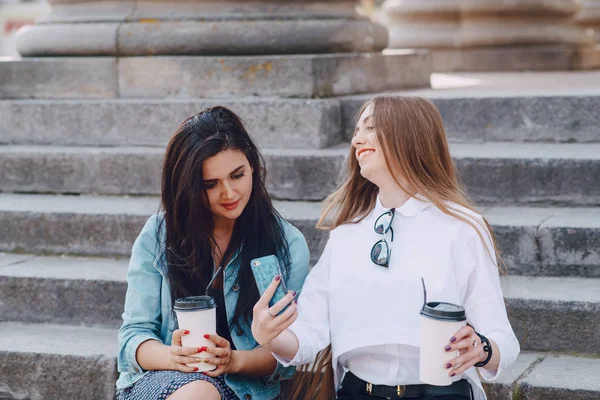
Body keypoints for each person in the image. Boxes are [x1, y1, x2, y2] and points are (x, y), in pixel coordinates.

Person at [251, 96, 520, 400]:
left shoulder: (462, 228)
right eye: (356, 130)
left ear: (409, 135)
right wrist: (269, 336)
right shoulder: (346, 233)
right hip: (357, 392)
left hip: (442, 393)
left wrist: (481, 349)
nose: (356, 139)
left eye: (370, 128)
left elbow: (503, 341)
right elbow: (307, 332)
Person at [116, 106, 310, 400]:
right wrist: (175, 356)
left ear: (253, 166)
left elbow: (287, 353)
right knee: (198, 392)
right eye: (211, 184)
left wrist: (233, 360)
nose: (230, 193)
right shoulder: (159, 235)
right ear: (189, 187)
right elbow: (134, 336)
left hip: (245, 389)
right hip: (163, 380)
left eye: (237, 175)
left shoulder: (286, 244)